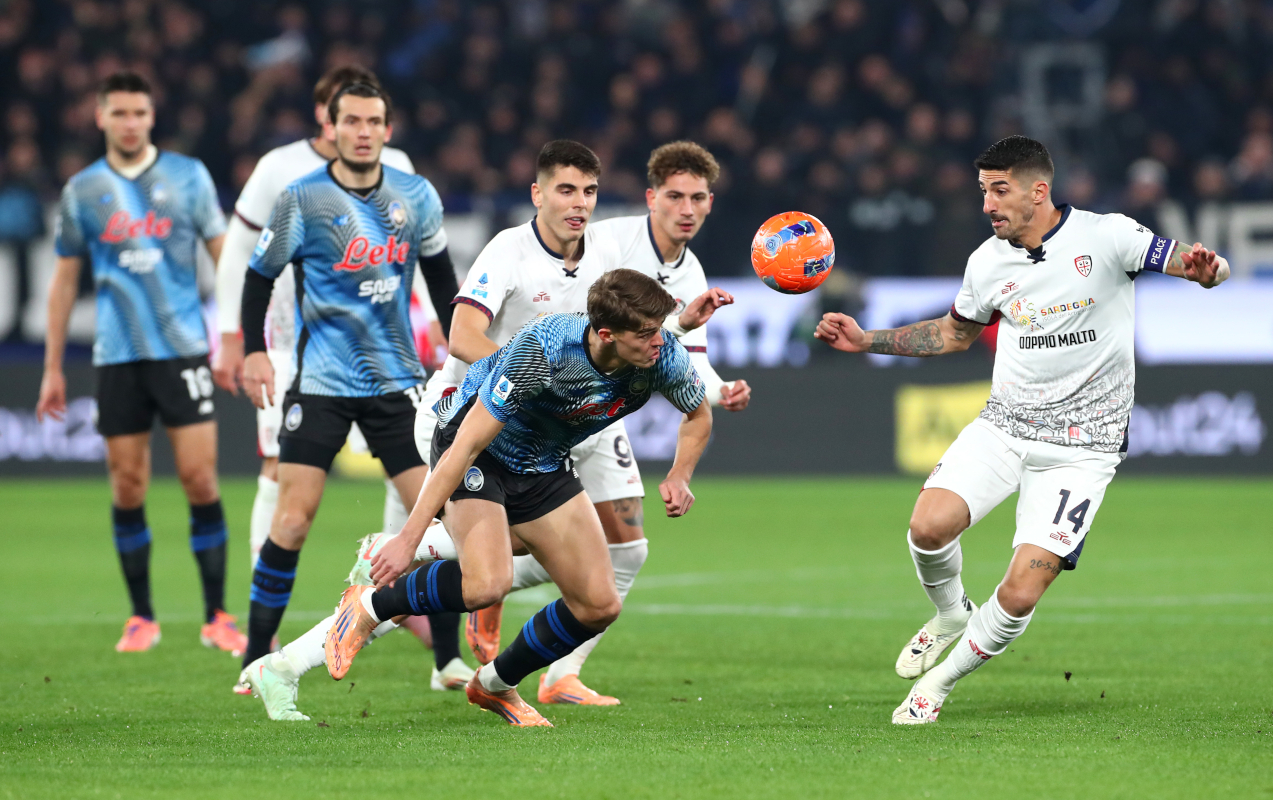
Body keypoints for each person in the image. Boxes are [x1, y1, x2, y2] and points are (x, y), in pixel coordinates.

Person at [238, 139, 733, 718]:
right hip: (480, 417)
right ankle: (410, 562)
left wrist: (675, 327)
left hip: (555, 437)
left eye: (590, 191)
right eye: (566, 190)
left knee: (612, 570)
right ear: (537, 193)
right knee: (485, 578)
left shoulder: (609, 258)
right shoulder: (511, 257)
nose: (579, 203)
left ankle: (495, 673)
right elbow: (464, 347)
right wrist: (528, 373)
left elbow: (646, 328)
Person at [814, 135, 1229, 725]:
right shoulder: (987, 261)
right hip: (1005, 426)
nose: (987, 203)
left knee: (1019, 594)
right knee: (928, 527)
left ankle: (938, 683)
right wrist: (867, 340)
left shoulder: (1108, 236)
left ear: (1040, 191)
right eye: (984, 190)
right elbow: (955, 334)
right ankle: (953, 613)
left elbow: (1198, 264)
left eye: (999, 190)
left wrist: (1209, 271)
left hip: (1081, 450)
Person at [325, 269, 715, 728]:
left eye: (660, 329)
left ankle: (493, 684)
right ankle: (370, 605)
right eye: (647, 332)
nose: (659, 341)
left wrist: (680, 473)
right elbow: (465, 445)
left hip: (544, 463)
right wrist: (408, 538)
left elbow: (698, 413)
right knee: (486, 585)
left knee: (599, 605)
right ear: (606, 334)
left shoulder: (661, 354)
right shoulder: (546, 350)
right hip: (479, 453)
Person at [466, 140, 753, 705]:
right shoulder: (606, 239)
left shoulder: (689, 269)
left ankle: (560, 674)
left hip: (595, 408)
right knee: (520, 548)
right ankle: (434, 563)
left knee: (628, 551)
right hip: (539, 399)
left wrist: (719, 391)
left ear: (711, 204)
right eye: (674, 196)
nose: (685, 209)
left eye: (697, 198)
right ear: (651, 199)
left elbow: (676, 351)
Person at [212, 65, 463, 688]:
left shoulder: (415, 195)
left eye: (374, 121)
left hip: (396, 381)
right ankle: (256, 655)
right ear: (331, 125)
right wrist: (252, 349)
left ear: (387, 129)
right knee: (292, 519)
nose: (362, 131)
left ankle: (447, 661)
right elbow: (258, 274)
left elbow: (442, 283)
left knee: (439, 520)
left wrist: (459, 351)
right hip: (320, 383)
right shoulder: (302, 198)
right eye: (351, 120)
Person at [37, 72, 241, 654]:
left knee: (200, 478)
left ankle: (217, 614)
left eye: (139, 113)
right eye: (119, 112)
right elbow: (63, 280)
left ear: (152, 117)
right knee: (127, 485)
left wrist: (232, 338)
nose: (130, 122)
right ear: (99, 117)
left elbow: (224, 261)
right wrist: (53, 366)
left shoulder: (187, 177)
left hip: (181, 351)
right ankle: (141, 617)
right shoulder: (83, 190)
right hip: (118, 356)